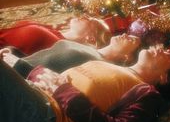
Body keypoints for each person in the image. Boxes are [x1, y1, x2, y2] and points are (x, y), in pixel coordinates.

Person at [0, 45, 170, 122]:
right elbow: (53, 79)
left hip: (48, 118)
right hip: (33, 95)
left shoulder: (148, 94)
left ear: (164, 78)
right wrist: (18, 65)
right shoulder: (110, 64)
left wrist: (63, 92)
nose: (161, 47)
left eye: (169, 56)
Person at [0, 33, 141, 77]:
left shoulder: (100, 66)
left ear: (127, 57)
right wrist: (14, 53)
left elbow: (48, 75)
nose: (125, 35)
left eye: (132, 40)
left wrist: (14, 62)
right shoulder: (90, 48)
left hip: (16, 75)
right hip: (13, 64)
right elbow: (46, 57)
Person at [0, 15, 112, 55]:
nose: (85, 16)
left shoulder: (59, 46)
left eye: (90, 21)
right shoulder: (54, 32)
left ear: (91, 39)